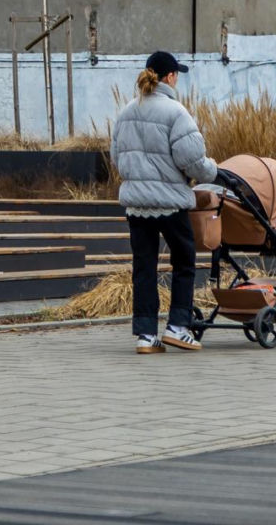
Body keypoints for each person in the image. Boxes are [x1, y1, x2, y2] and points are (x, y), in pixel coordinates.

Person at [111, 50, 217, 354]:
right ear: (170, 77)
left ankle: (146, 335)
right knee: (184, 261)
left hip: (137, 206)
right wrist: (212, 170)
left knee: (144, 268)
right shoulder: (176, 112)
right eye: (176, 75)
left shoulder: (126, 111)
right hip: (170, 204)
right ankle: (177, 327)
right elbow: (191, 160)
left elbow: (117, 157)